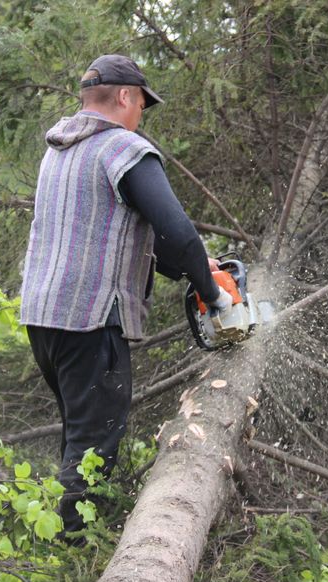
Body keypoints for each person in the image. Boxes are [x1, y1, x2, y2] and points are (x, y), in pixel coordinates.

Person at [18, 54, 232, 542]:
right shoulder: (123, 149)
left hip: (45, 319)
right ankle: (76, 556)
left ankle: (67, 540)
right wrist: (211, 294)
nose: (141, 117)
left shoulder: (60, 150)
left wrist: (200, 268)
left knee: (80, 442)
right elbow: (175, 229)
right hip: (92, 321)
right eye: (141, 105)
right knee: (93, 455)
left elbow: (131, 235)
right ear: (124, 97)